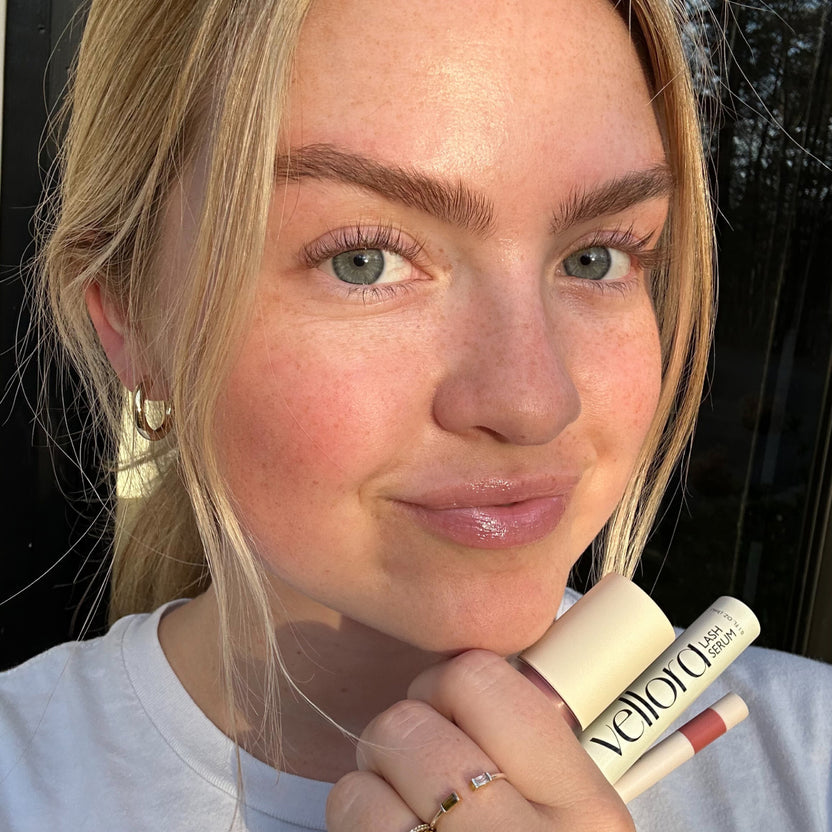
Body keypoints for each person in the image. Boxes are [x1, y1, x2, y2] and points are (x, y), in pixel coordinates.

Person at [1, 0, 830, 830]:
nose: (534, 402)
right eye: (364, 262)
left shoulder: (809, 760)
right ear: (135, 319)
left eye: (596, 257)